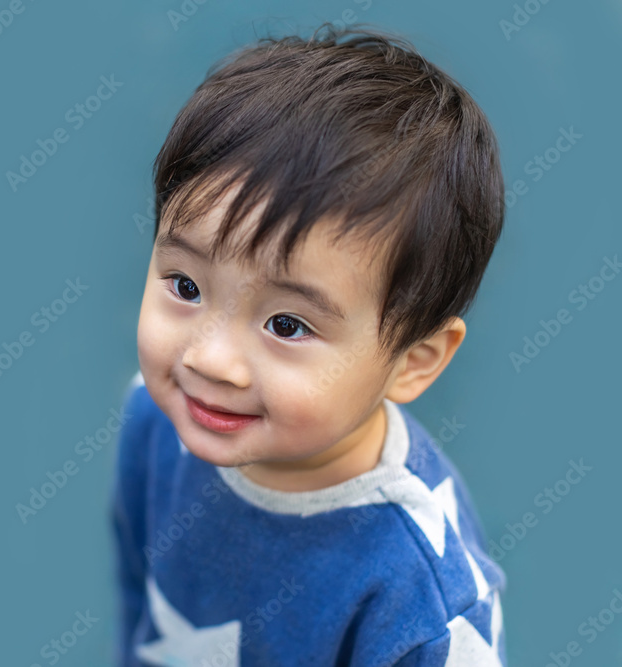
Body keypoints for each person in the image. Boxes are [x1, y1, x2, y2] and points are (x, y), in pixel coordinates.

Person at [111, 23, 508, 666]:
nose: (209, 360)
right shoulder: (155, 421)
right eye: (185, 285)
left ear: (414, 360)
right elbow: (139, 607)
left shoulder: (425, 601)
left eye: (288, 326)